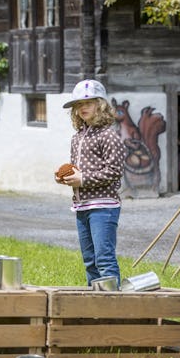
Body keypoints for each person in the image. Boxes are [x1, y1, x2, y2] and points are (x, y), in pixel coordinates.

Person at [56, 79, 126, 287]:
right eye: (78, 105)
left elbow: (114, 172)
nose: (82, 107)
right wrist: (65, 176)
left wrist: (83, 179)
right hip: (81, 206)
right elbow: (78, 170)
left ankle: (113, 309)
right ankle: (93, 305)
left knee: (104, 259)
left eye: (88, 102)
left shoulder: (109, 136)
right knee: (90, 261)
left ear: (100, 105)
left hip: (103, 207)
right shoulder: (77, 138)